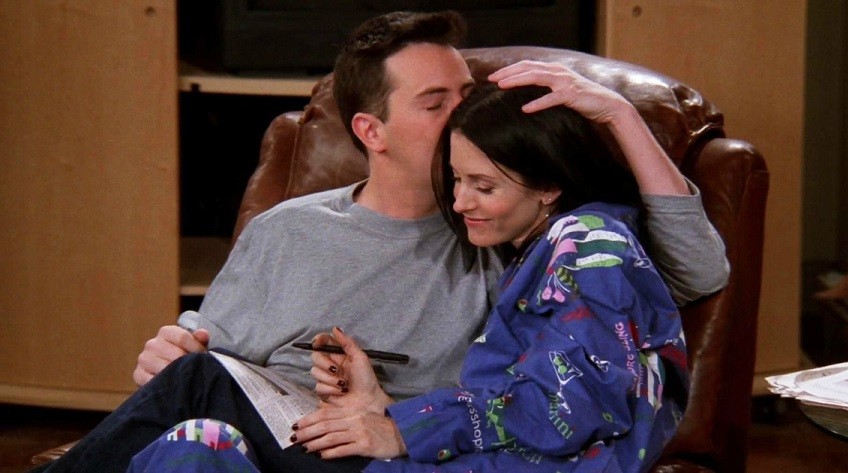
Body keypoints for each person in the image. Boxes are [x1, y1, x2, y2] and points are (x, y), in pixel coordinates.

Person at [35, 10, 723, 472]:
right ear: (371, 131)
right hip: (270, 434)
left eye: (467, 93)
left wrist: (618, 115)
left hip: (390, 449)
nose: (467, 114)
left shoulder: (508, 235)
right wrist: (173, 349)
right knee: (196, 432)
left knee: (199, 390)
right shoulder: (286, 229)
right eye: (436, 103)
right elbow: (208, 351)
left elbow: (691, 272)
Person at [133, 83, 689, 472]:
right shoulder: (539, 253)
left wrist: (402, 427)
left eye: (484, 187)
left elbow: (571, 403)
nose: (460, 202)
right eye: (457, 179)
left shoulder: (590, 246)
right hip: (458, 457)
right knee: (198, 444)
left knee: (198, 387)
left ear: (549, 185)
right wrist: (377, 402)